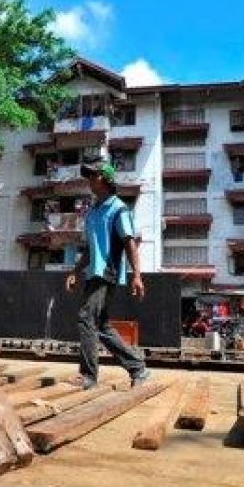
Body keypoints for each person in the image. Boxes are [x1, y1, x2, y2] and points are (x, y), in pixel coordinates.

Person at [65, 158, 150, 389]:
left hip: (108, 272)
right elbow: (91, 248)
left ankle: (88, 375)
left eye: (94, 175)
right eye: (89, 176)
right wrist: (75, 271)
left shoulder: (118, 208)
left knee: (86, 317)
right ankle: (137, 367)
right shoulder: (93, 212)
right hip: (94, 272)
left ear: (106, 180)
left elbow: (129, 242)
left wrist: (137, 276)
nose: (90, 180)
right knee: (100, 325)